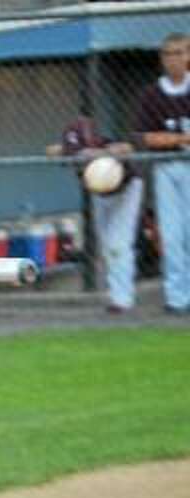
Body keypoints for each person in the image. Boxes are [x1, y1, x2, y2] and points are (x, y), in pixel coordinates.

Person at [46, 116, 141, 313]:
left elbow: (128, 147)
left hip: (127, 190)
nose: (78, 158)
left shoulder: (105, 144)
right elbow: (50, 151)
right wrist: (67, 151)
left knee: (118, 243)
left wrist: (103, 152)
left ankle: (122, 299)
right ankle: (117, 294)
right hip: (100, 196)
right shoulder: (71, 151)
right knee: (107, 246)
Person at [135, 32, 190, 315]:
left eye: (180, 52)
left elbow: (161, 136)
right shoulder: (152, 94)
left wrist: (170, 137)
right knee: (171, 234)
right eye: (169, 54)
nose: (175, 59)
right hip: (166, 168)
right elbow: (147, 138)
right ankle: (177, 298)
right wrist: (182, 139)